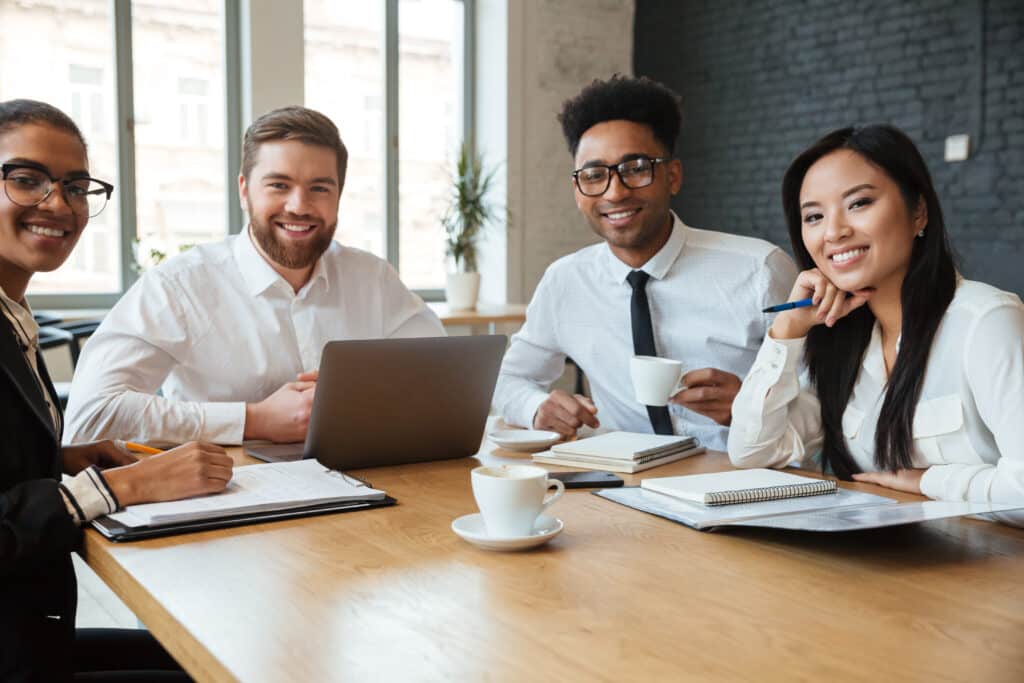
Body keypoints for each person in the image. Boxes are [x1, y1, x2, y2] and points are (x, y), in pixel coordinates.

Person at [0, 98, 233, 680]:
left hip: (30, 632)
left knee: (221, 655)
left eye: (76, 186)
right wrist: (120, 486)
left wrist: (63, 459)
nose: (59, 204)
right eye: (26, 180)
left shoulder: (13, 314)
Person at [64, 106, 444, 447]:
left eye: (319, 188)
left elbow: (445, 382)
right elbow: (89, 416)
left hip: (367, 488)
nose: (299, 206)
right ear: (245, 191)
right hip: (225, 496)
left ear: (339, 195)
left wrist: (368, 394)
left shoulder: (372, 278)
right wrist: (253, 420)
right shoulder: (180, 286)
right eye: (279, 185)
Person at [728, 124, 1024, 510]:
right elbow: (752, 452)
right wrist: (786, 331)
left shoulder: (986, 323)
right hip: (883, 560)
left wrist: (931, 481)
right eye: (814, 216)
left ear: (918, 211)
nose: (834, 232)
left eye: (859, 203)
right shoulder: (842, 341)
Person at [493, 76, 797, 451]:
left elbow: (827, 404)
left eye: (636, 167)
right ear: (578, 191)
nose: (615, 192)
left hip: (742, 480)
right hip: (619, 484)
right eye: (594, 175)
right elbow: (507, 380)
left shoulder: (760, 271)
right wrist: (536, 407)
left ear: (672, 176)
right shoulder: (566, 281)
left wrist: (750, 409)